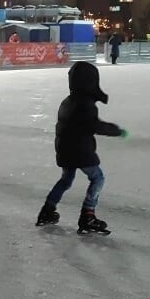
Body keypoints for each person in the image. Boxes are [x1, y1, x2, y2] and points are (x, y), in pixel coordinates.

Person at [36, 61, 127, 234]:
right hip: (80, 150)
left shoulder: (68, 101)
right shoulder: (84, 104)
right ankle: (88, 215)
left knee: (66, 180)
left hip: (65, 149)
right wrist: (116, 131)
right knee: (98, 178)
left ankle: (47, 210)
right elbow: (94, 126)